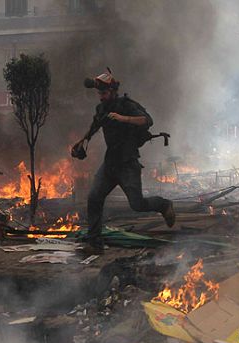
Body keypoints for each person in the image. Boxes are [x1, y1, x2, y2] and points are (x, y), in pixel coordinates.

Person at [72, 70, 175, 255]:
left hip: (128, 163)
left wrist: (123, 118)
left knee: (137, 204)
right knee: (94, 198)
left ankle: (164, 205)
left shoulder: (126, 105)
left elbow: (147, 120)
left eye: (104, 93)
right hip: (110, 163)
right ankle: (95, 244)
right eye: (99, 94)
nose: (101, 97)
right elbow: (95, 126)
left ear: (112, 91)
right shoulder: (101, 109)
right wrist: (82, 142)